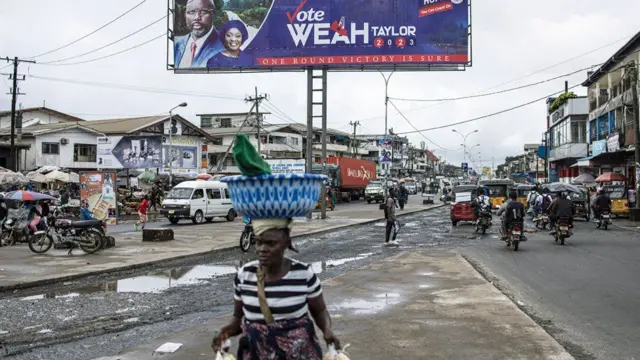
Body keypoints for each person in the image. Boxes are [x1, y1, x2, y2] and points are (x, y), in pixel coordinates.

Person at [174, 0, 224, 69]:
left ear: (213, 14)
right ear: (185, 14)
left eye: (203, 12)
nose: (196, 17)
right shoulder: (175, 44)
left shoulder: (225, 48)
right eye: (191, 12)